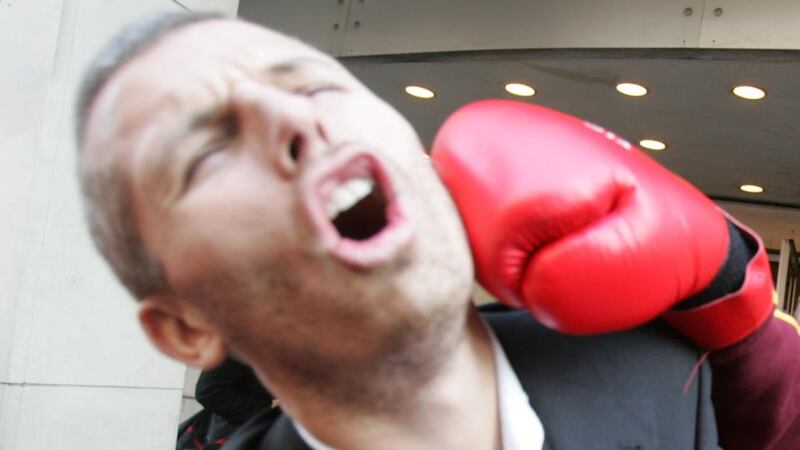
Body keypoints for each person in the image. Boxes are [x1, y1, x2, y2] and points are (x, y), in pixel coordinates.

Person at [74, 12, 800, 450]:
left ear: (417, 161)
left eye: (314, 85)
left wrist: (734, 301)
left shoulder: (665, 374)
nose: (293, 119)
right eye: (205, 153)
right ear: (185, 328)